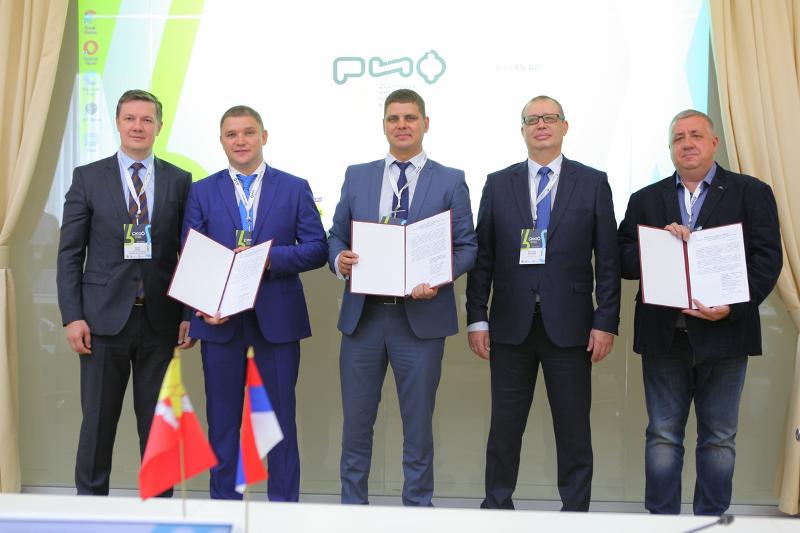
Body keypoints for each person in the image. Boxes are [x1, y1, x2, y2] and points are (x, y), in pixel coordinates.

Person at [617, 109, 782, 515]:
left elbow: (767, 261)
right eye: (678, 138)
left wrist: (733, 307)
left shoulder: (751, 193)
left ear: (713, 143)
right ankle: (661, 522)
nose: (687, 143)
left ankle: (709, 521)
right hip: (665, 337)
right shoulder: (645, 199)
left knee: (719, 438)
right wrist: (657, 245)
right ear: (670, 148)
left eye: (695, 135)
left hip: (727, 336)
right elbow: (622, 260)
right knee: (662, 435)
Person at [465, 95, 620, 511]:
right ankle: (497, 508)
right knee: (504, 429)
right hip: (509, 325)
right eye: (532, 120)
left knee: (573, 429)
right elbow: (483, 257)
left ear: (565, 127)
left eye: (550, 118)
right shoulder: (498, 183)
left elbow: (607, 259)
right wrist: (477, 318)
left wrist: (606, 321)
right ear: (522, 131)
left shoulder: (593, 182)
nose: (541, 125)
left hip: (571, 328)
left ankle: (575, 513)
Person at [328, 88, 477, 506]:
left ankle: (417, 511)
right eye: (393, 118)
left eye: (410, 118)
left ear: (425, 123)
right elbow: (336, 234)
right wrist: (339, 258)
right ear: (384, 126)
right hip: (364, 318)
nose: (402, 125)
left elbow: (467, 247)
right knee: (356, 426)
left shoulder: (450, 180)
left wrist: (439, 278)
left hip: (421, 319)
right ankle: (353, 512)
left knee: (418, 427)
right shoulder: (358, 175)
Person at [182, 105, 327, 501]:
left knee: (278, 425)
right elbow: (191, 254)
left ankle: (282, 511)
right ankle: (224, 510)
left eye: (248, 132)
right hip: (220, 322)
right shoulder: (201, 191)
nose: (241, 140)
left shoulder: (294, 187)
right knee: (223, 425)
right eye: (232, 134)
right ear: (221, 141)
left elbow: (317, 248)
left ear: (264, 136)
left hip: (277, 322)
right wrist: (201, 307)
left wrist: (265, 258)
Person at [57, 89, 192, 495]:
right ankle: (90, 507)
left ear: (159, 127)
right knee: (97, 423)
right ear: (117, 123)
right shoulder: (88, 177)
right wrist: (72, 316)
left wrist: (188, 314)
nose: (138, 126)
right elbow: (70, 254)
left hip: (160, 321)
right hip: (101, 321)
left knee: (158, 428)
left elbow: (189, 253)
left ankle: (160, 509)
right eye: (130, 118)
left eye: (147, 119)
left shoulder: (179, 180)